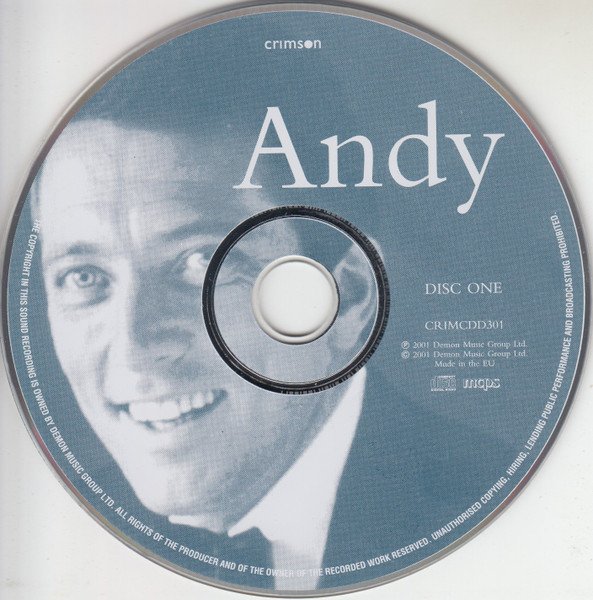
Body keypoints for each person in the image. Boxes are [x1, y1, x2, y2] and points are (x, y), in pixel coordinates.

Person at [33, 118, 506, 592]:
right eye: (83, 276)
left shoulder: (505, 512)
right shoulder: (53, 541)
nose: (134, 351)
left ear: (350, 297)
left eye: (204, 261)